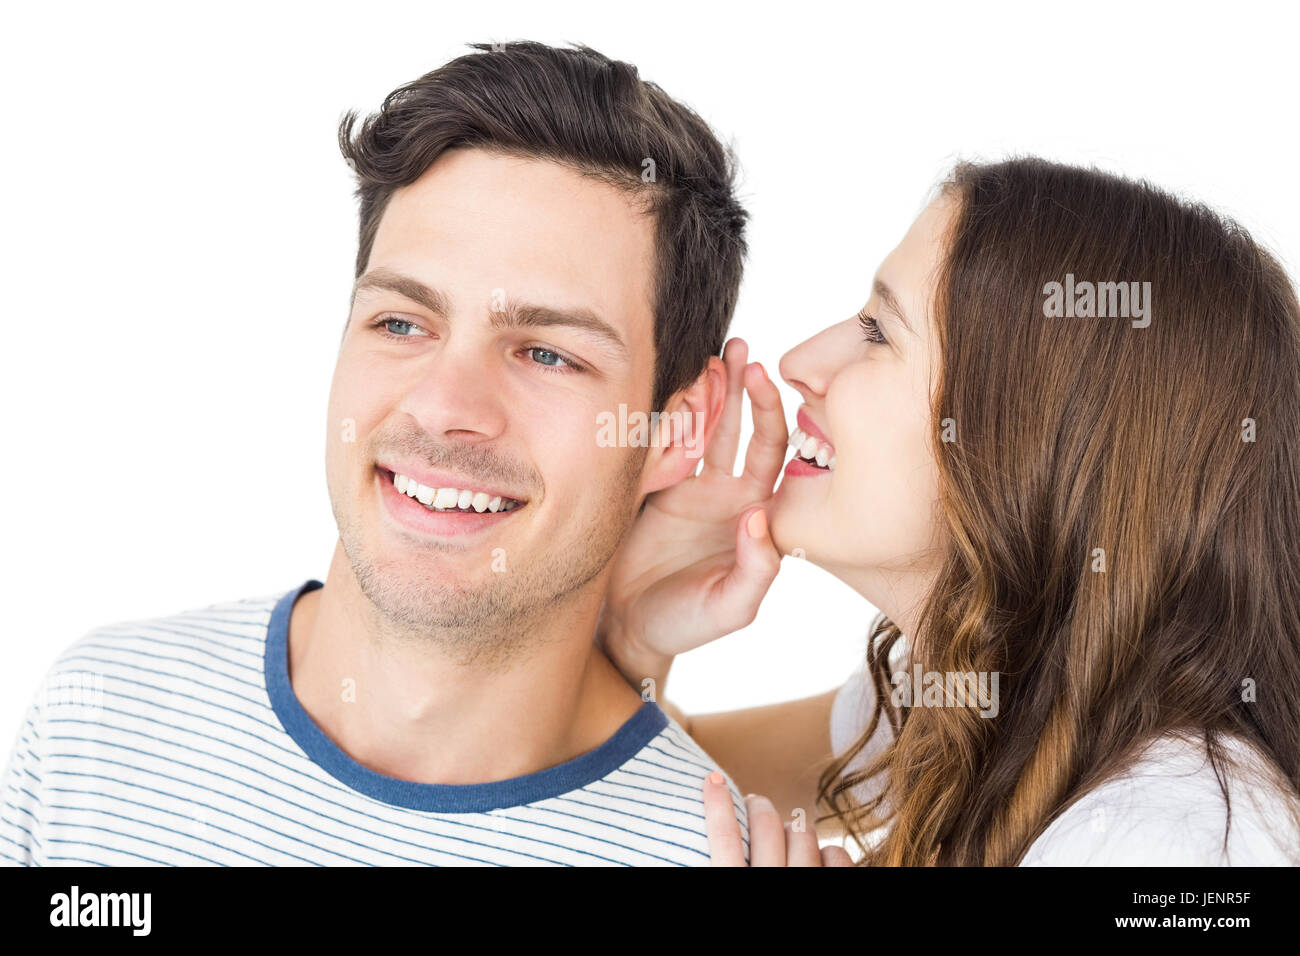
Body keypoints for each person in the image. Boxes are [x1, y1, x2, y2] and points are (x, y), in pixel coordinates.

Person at [0, 41, 754, 866]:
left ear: (679, 428)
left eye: (547, 354)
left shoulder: (713, 854)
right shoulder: (99, 723)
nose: (443, 406)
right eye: (402, 323)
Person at [599, 157, 1300, 866]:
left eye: (878, 331)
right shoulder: (964, 701)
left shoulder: (1183, 837)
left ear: (1027, 441)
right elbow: (674, 790)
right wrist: (637, 636)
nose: (803, 361)